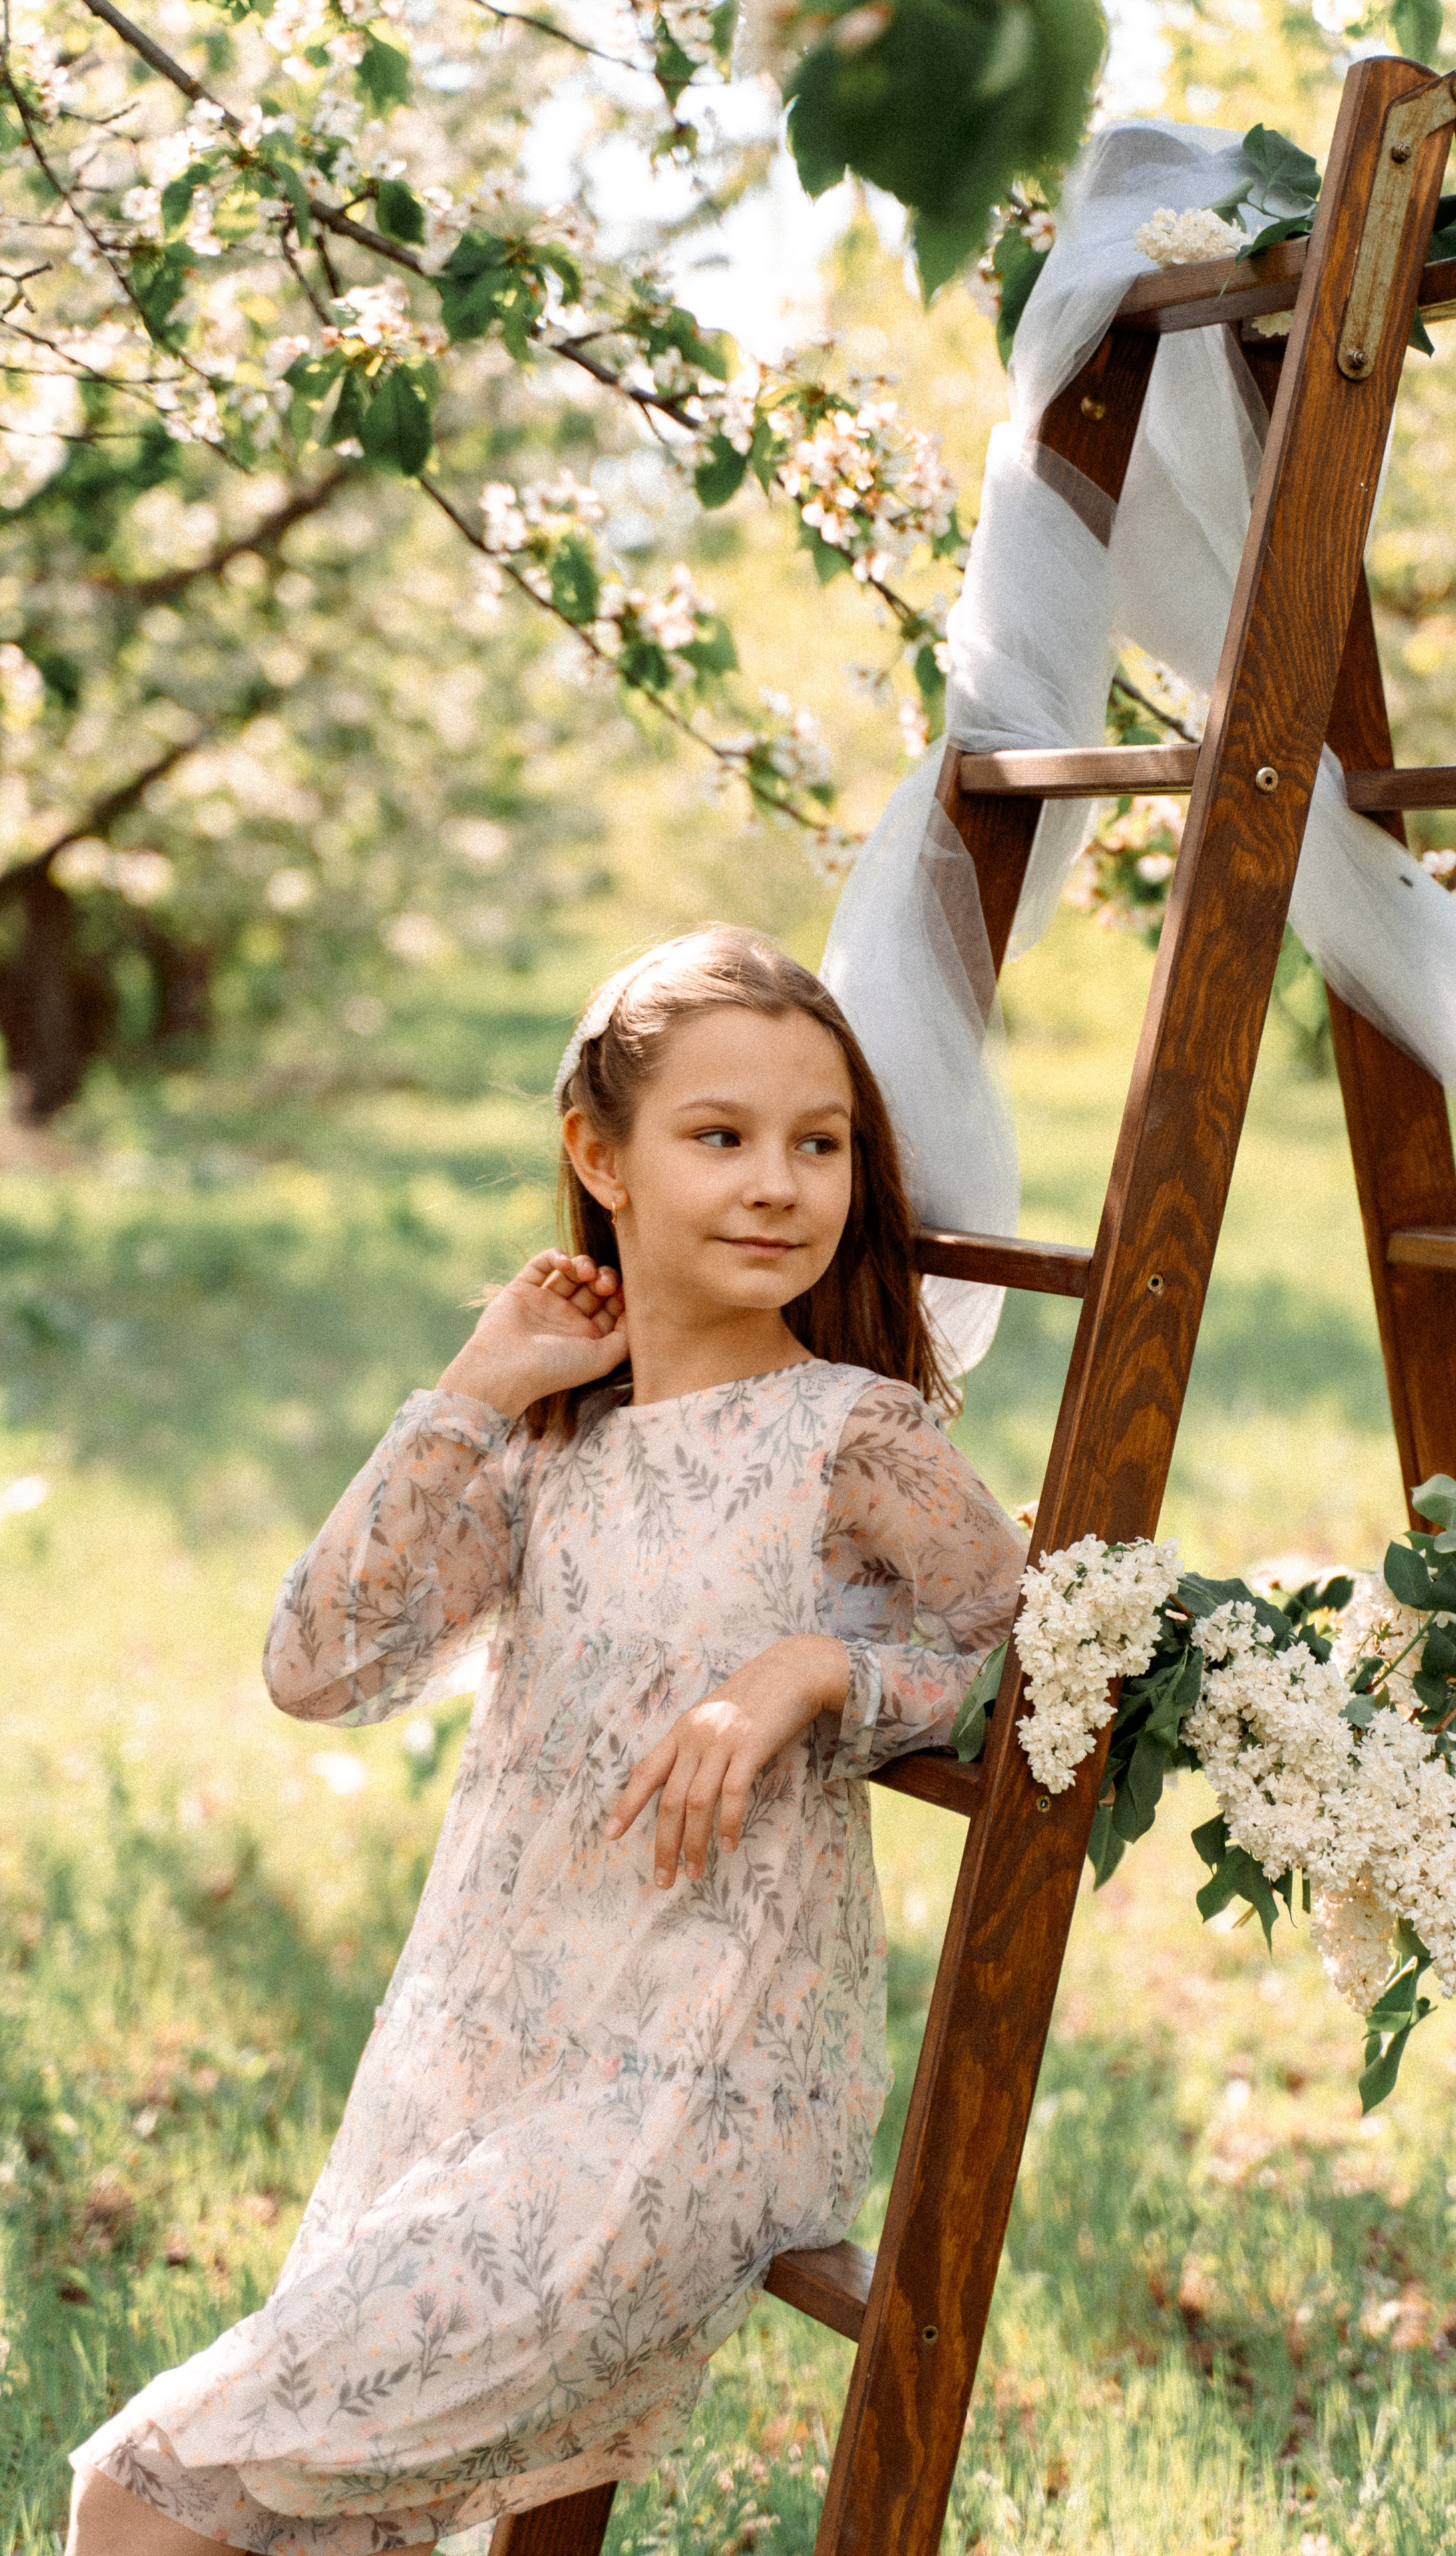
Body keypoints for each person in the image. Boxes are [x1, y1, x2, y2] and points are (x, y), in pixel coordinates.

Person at [68, 925, 1025, 2555]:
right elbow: (320, 1667)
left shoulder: (850, 1438)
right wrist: (475, 1385)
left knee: (144, 2487)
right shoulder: (550, 1447)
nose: (779, 1187)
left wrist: (810, 1671)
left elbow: (1021, 1650)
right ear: (603, 1155)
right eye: (718, 1138)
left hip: (696, 2095)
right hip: (491, 2077)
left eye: (819, 1144)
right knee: (207, 2498)